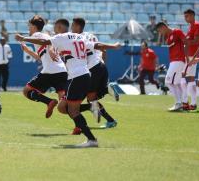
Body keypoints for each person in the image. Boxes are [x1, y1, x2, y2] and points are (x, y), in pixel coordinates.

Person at [15, 19, 121, 148]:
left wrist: (23, 38)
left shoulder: (61, 37)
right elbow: (97, 45)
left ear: (59, 27)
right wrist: (113, 46)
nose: (54, 30)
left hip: (76, 77)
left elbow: (44, 42)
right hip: (85, 75)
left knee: (72, 110)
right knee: (62, 107)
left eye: (55, 27)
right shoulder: (79, 37)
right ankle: (93, 106)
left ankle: (92, 140)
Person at [71, 17, 118, 131]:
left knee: (91, 99)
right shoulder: (91, 35)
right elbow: (103, 51)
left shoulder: (77, 39)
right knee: (92, 98)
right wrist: (102, 65)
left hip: (92, 69)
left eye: (73, 25)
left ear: (77, 26)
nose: (71, 28)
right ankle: (110, 119)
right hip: (101, 66)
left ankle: (107, 91)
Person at [19, 15, 67, 118]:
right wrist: (28, 51)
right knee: (64, 106)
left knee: (27, 91)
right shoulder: (42, 37)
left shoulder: (37, 35)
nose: (28, 28)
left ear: (33, 26)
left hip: (50, 72)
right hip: (61, 71)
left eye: (29, 26)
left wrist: (23, 38)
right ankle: (80, 122)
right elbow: (42, 57)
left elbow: (50, 43)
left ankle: (49, 102)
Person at [156, 21, 187, 111]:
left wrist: (186, 58)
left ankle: (178, 103)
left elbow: (186, 42)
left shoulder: (177, 32)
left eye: (160, 31)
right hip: (174, 61)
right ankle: (182, 102)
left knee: (168, 82)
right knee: (176, 83)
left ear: (163, 27)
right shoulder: (167, 37)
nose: (160, 33)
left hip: (178, 60)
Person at [182, 9, 199, 111]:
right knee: (187, 78)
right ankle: (188, 102)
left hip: (192, 55)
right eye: (185, 16)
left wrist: (185, 41)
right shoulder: (191, 26)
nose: (185, 18)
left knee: (189, 78)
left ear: (192, 15)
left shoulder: (197, 25)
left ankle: (192, 103)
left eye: (187, 16)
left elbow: (197, 41)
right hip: (188, 55)